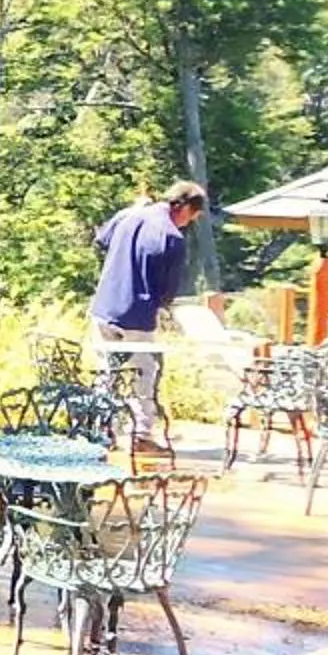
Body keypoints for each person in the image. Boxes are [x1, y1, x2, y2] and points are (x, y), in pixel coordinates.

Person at [88, 180, 206, 451]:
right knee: (144, 371)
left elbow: (102, 239)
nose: (189, 223)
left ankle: (103, 430)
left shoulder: (130, 215)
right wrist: (161, 306)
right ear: (185, 208)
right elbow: (167, 291)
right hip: (136, 315)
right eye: (193, 217)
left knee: (107, 371)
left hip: (103, 306)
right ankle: (140, 434)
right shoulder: (172, 239)